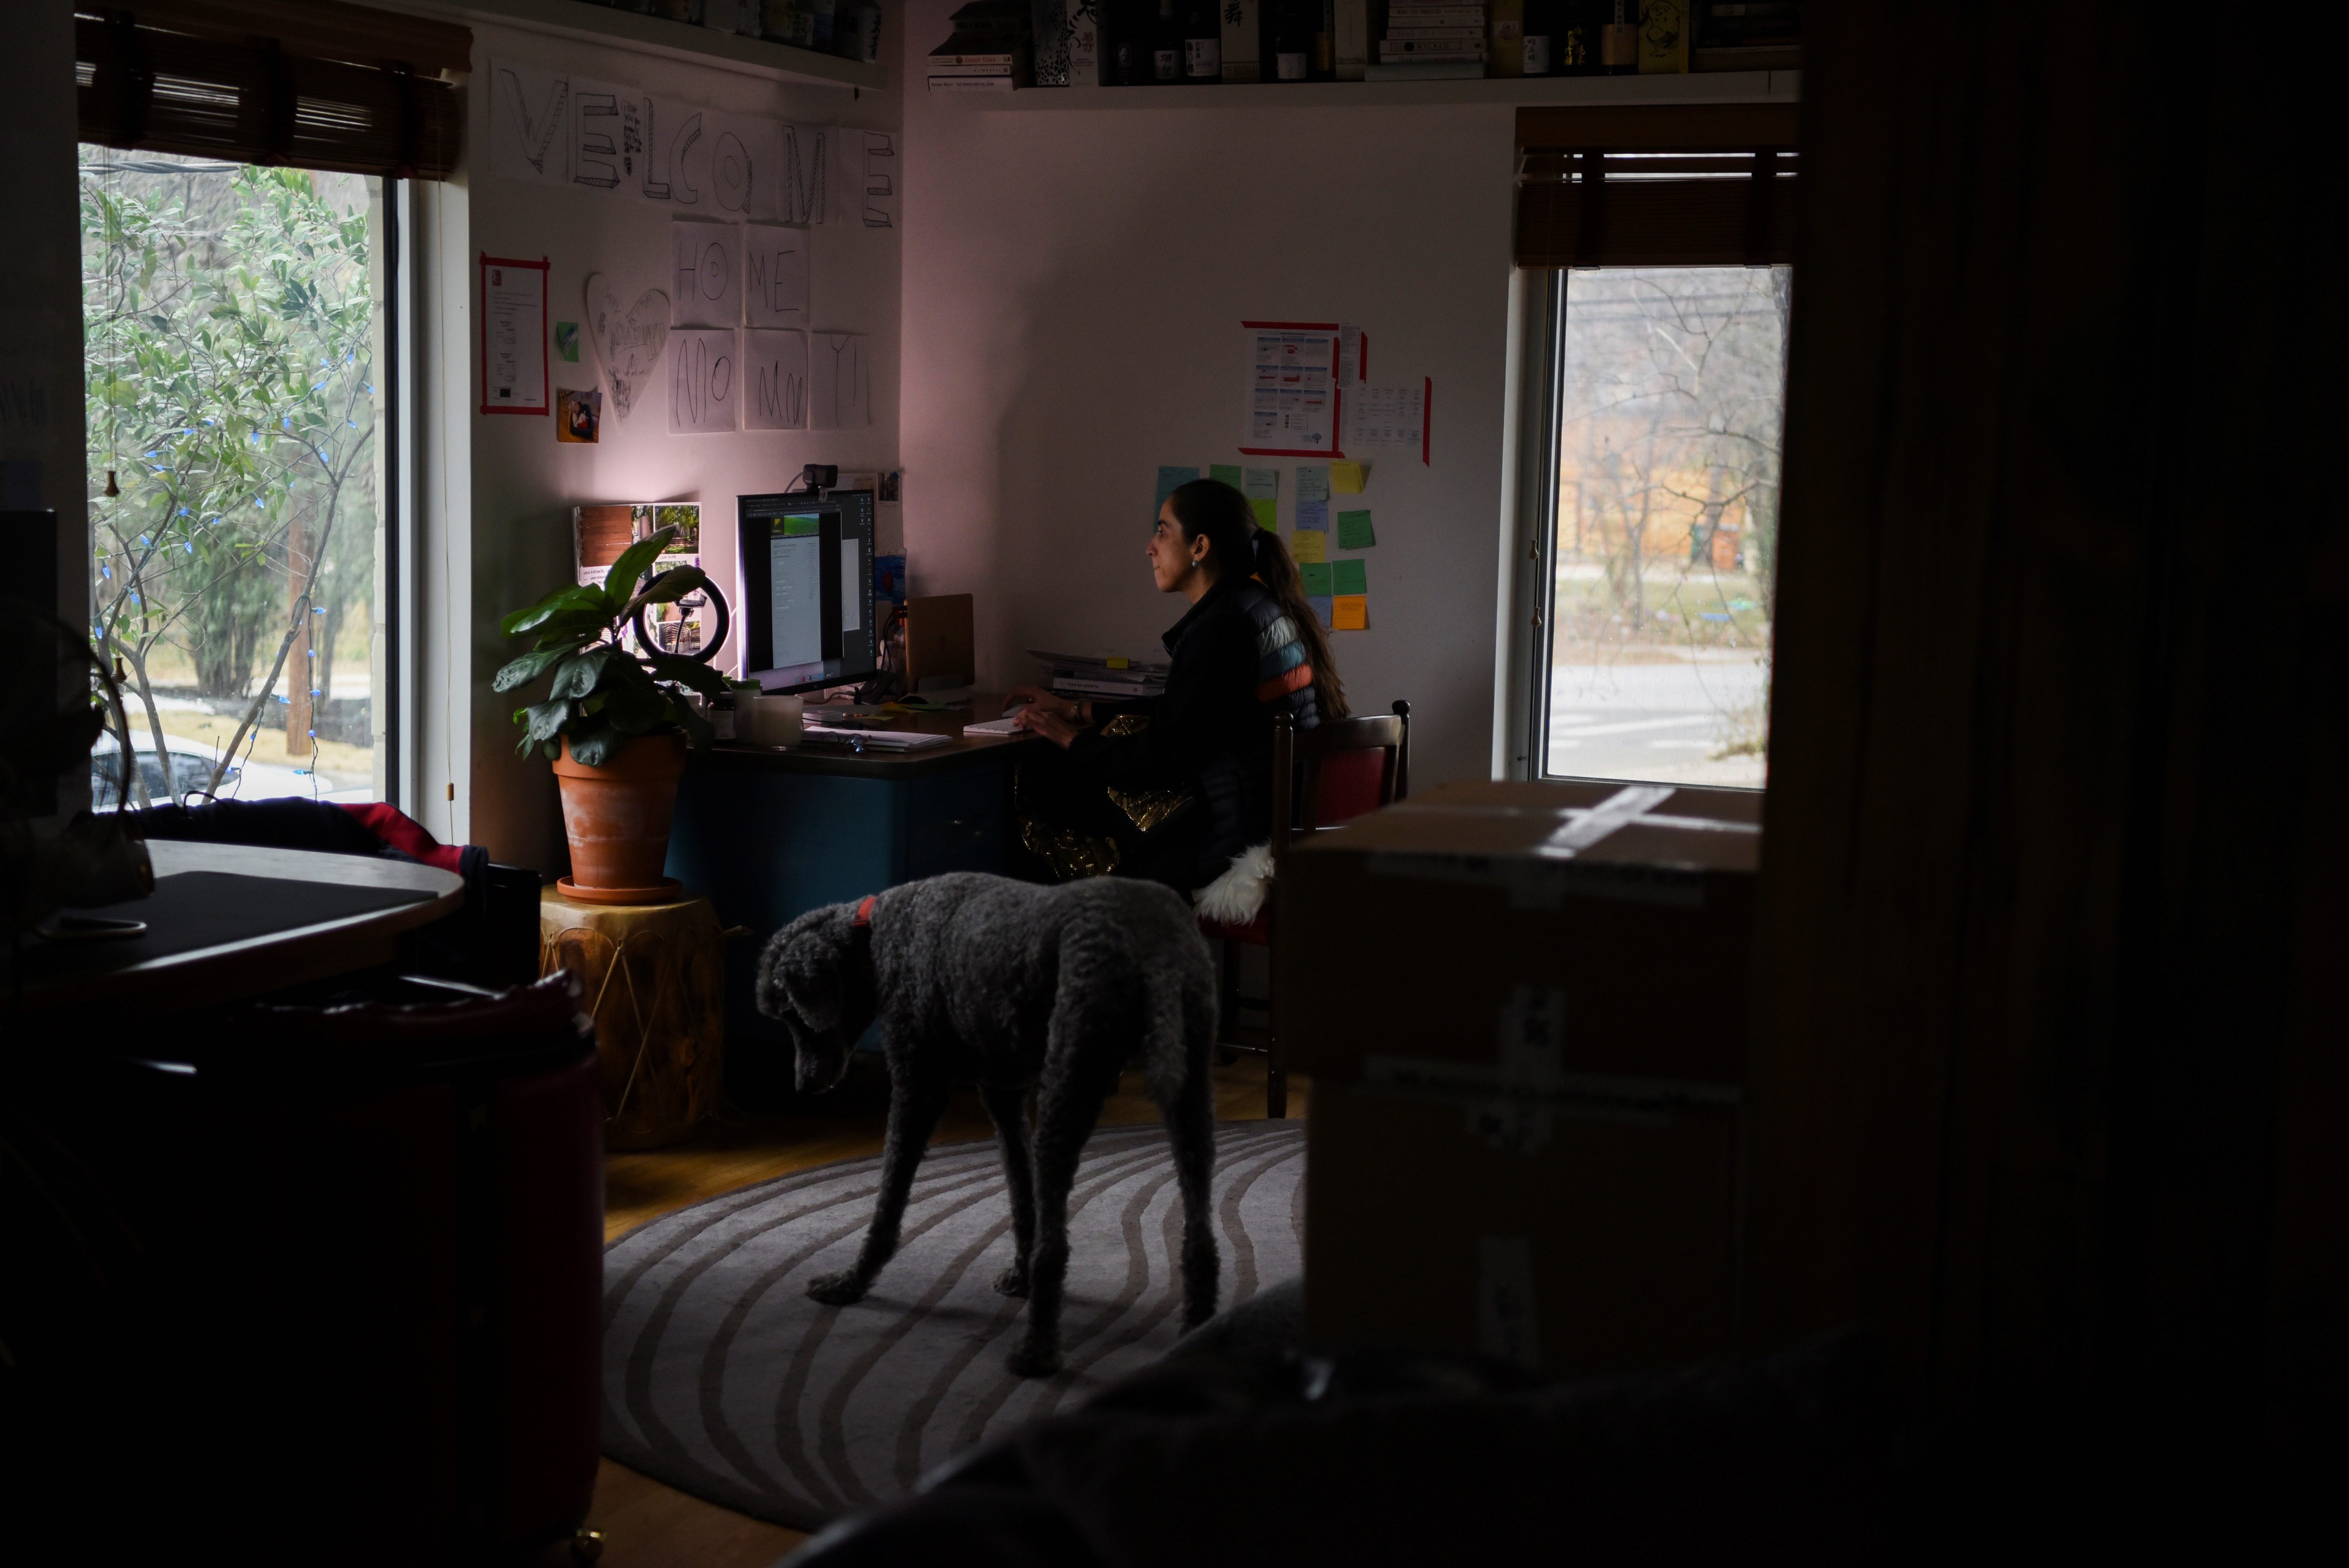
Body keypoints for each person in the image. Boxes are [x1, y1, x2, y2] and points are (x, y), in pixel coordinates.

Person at [1005, 477, 1347, 892]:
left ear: (1199, 548)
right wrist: (1078, 711)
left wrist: (1071, 741)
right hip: (1263, 818)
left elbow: (1162, 755)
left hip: (1228, 840)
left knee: (1041, 785)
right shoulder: (1257, 606)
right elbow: (1186, 711)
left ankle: (1102, 944)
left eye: (1163, 531)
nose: (1150, 546)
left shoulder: (1221, 628)